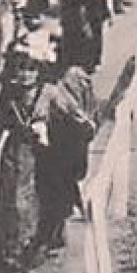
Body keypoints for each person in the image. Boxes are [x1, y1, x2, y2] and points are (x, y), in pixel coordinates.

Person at [0, 14, 56, 273]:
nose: (24, 74)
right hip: (14, 152)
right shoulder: (9, 94)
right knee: (9, 201)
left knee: (32, 202)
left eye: (30, 68)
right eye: (20, 68)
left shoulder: (49, 94)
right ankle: (8, 256)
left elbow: (70, 123)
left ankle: (30, 251)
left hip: (43, 156)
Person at [32, 40, 99, 258]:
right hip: (61, 139)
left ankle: (54, 231)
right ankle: (54, 232)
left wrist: (87, 124)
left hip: (68, 138)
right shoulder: (51, 82)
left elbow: (88, 107)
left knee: (59, 185)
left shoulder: (72, 78)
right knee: (56, 186)